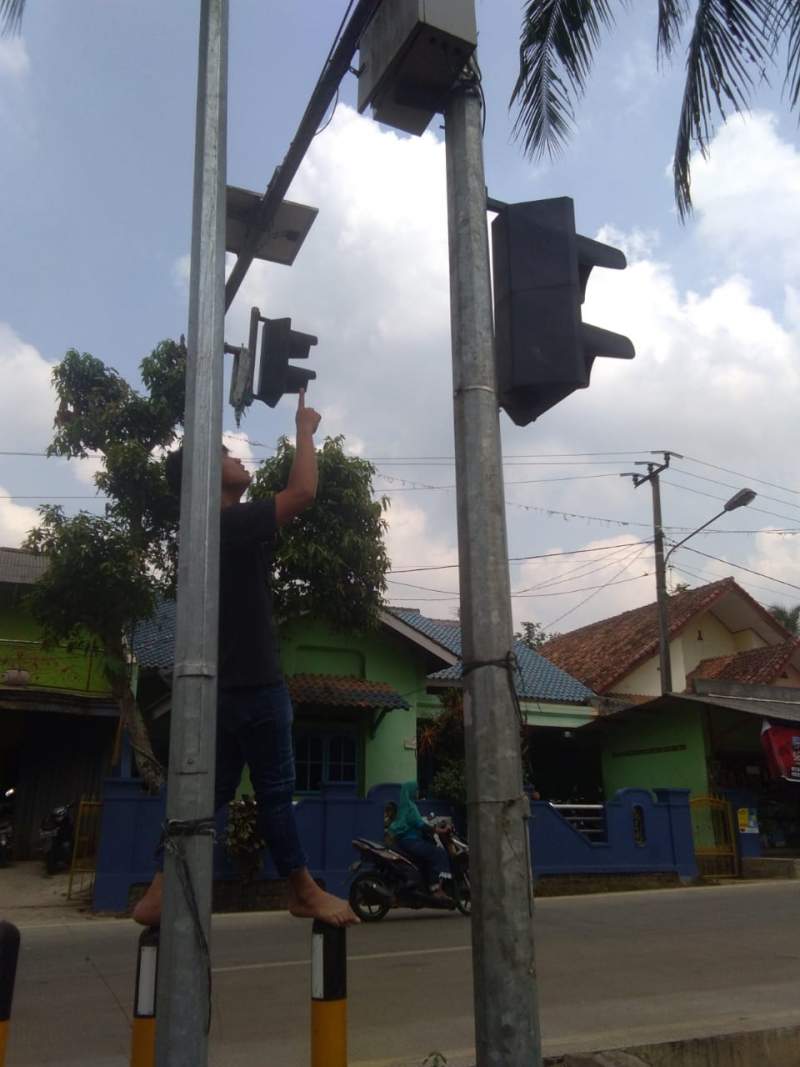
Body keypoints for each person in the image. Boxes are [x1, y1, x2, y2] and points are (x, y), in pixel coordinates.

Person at [133, 390, 358, 928]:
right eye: (228, 456)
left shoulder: (209, 534)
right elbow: (302, 491)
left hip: (225, 690)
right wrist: (304, 427)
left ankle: (161, 889)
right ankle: (302, 889)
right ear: (209, 476)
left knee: (202, 798)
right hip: (255, 685)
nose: (238, 458)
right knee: (276, 794)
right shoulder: (226, 526)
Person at [388, 781, 450, 899]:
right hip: (412, 842)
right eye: (416, 790)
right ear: (411, 791)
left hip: (405, 842)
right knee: (437, 853)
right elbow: (419, 824)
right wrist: (438, 830)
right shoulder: (411, 807)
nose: (417, 792)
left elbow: (417, 822)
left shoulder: (405, 806)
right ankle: (435, 888)